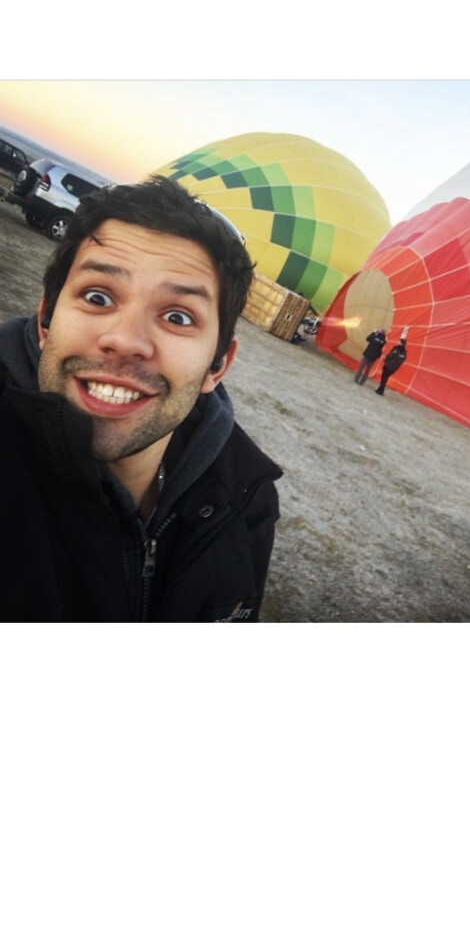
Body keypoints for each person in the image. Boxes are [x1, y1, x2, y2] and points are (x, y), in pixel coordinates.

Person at [0, 177, 282, 622]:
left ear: (217, 365)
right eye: (98, 296)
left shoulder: (246, 499)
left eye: (177, 316)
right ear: (45, 322)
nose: (126, 341)